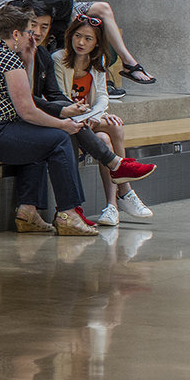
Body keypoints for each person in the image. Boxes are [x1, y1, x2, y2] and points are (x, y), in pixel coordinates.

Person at [0, 0, 97, 235]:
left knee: (37, 141)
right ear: (15, 33)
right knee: (57, 140)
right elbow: (28, 110)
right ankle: (68, 214)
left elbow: (27, 101)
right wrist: (62, 125)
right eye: (28, 32)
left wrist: (30, 59)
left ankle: (27, 213)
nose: (32, 37)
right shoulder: (7, 58)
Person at [58, 14, 156, 225]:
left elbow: (102, 96)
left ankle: (112, 207)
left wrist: (96, 116)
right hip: (67, 120)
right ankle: (125, 193)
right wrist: (91, 116)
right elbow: (61, 99)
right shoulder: (59, 58)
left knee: (108, 134)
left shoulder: (97, 62)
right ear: (70, 36)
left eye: (88, 38)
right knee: (114, 131)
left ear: (97, 43)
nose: (81, 42)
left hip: (88, 120)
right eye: (77, 36)